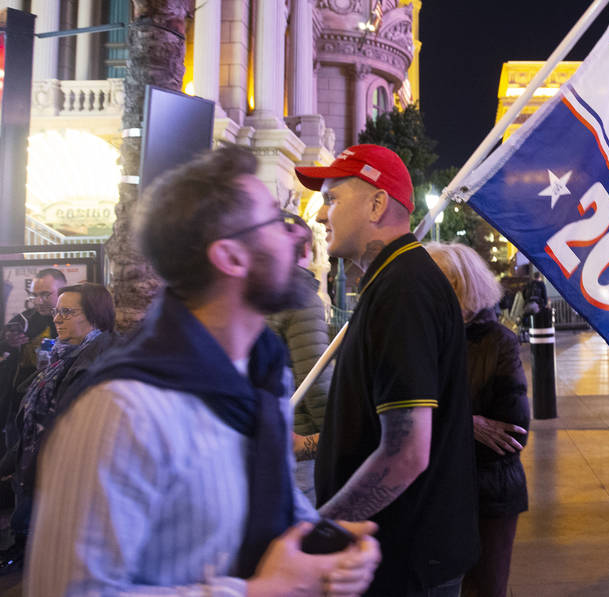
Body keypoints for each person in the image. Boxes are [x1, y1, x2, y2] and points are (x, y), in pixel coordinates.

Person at [25, 145, 380, 596]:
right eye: (274, 222)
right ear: (230, 257)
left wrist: (329, 547)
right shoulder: (122, 411)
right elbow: (65, 590)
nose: (299, 236)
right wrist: (255, 592)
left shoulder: (263, 369)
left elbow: (271, 503)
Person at [297, 144, 479, 596]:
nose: (321, 215)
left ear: (377, 203)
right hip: (396, 556)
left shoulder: (404, 289)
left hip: (405, 562)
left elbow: (406, 451)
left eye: (333, 198)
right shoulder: (391, 281)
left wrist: (324, 533)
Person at [424, 243, 528, 597]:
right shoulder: (423, 339)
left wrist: (441, 421)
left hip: (489, 490)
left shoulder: (499, 342)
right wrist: (467, 423)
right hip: (433, 489)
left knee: (483, 588)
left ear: (458, 285)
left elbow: (512, 432)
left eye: (432, 281)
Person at [0, 283, 120, 575]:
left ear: (95, 315)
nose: (57, 319)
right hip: (40, 463)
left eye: (67, 312)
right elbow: (35, 418)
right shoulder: (64, 355)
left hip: (68, 474)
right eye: (57, 311)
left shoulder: (99, 359)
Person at [267, 213, 333, 504]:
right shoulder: (302, 300)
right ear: (307, 250)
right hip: (296, 439)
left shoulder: (248, 293)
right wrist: (334, 434)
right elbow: (315, 378)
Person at [1, 269, 65, 454]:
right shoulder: (23, 319)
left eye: (46, 294)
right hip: (18, 402)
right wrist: (8, 343)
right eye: (35, 295)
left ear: (63, 290)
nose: (39, 301)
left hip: (54, 403)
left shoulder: (70, 320)